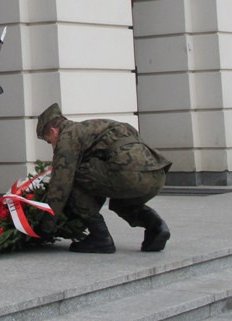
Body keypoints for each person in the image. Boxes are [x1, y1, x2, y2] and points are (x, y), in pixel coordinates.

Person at [36, 103, 172, 253]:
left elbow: (60, 185)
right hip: (157, 174)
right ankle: (156, 227)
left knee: (72, 176)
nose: (52, 146)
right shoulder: (98, 126)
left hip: (127, 175)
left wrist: (46, 227)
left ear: (54, 131)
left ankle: (100, 237)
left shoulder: (68, 136)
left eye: (49, 141)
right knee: (121, 204)